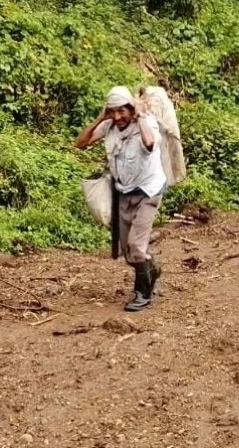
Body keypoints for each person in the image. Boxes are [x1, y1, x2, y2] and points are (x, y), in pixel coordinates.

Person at [74, 86, 166, 311]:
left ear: (130, 109)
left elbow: (149, 143)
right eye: (112, 112)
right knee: (128, 251)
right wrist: (99, 119)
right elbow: (81, 144)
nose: (117, 117)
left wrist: (140, 115)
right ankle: (152, 269)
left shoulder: (147, 123)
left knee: (136, 245)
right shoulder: (109, 126)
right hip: (123, 191)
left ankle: (142, 294)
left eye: (122, 111)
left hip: (148, 191)